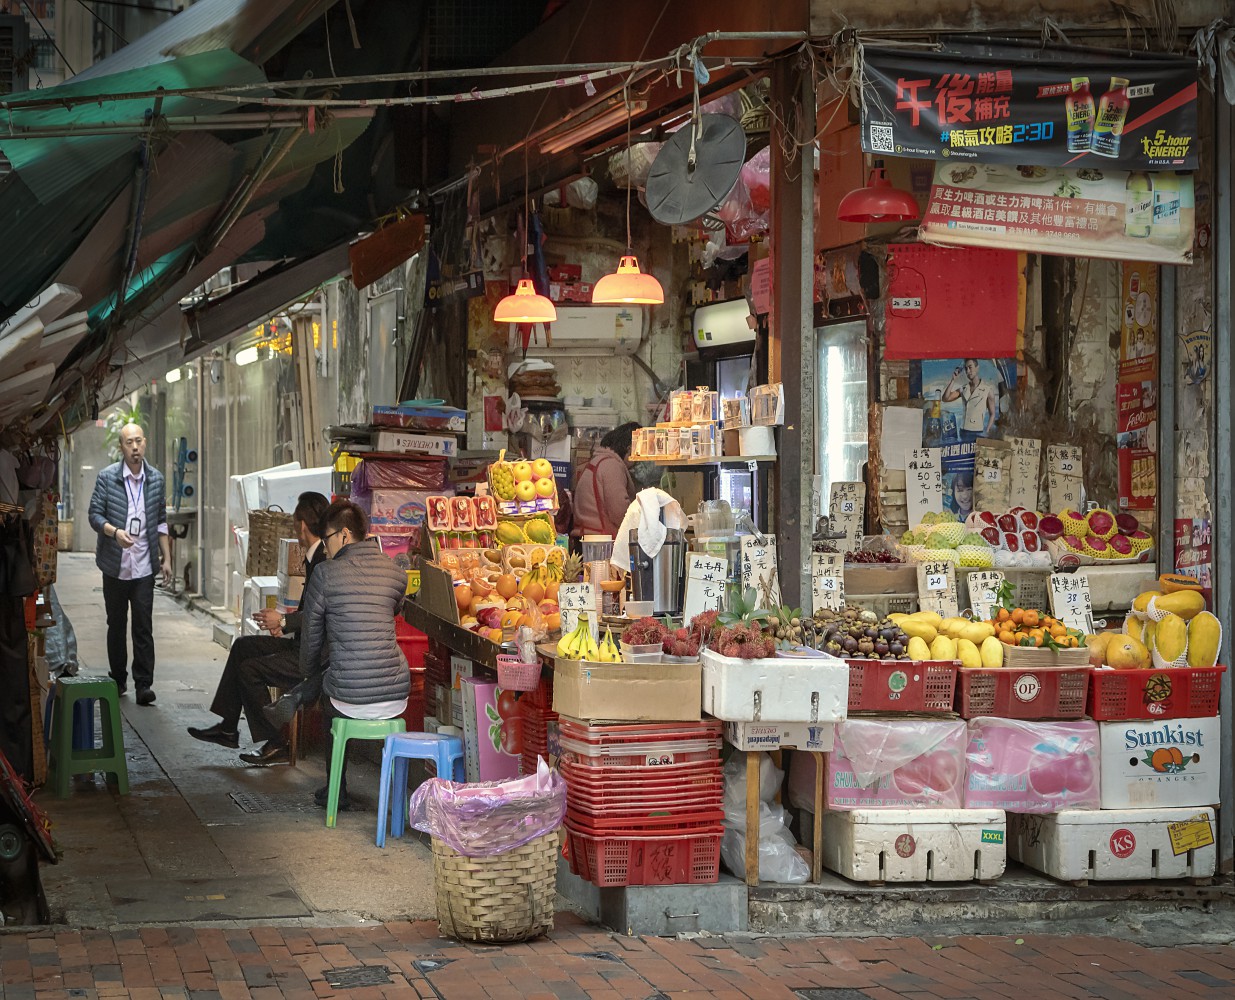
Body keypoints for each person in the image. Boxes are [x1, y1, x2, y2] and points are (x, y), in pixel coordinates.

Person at [187, 492, 330, 765]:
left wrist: (285, 621)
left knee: (249, 670)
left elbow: (320, 613)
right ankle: (228, 727)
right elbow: (311, 610)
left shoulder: (323, 559)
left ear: (301, 526)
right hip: (302, 643)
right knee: (243, 646)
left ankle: (278, 742)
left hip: (315, 657)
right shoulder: (315, 557)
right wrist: (283, 622)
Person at [296, 500, 409, 810]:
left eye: (328, 539)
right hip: (396, 695)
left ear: (344, 535)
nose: (326, 548)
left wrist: (308, 675)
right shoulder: (395, 572)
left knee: (329, 692)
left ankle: (337, 789)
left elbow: (312, 637)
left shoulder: (325, 574)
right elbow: (395, 607)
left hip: (347, 697)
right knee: (337, 679)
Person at [87, 423, 170, 706]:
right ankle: (118, 679)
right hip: (115, 565)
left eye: (138, 442)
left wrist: (167, 558)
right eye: (128, 443)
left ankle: (144, 684)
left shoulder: (156, 479)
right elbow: (94, 515)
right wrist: (114, 532)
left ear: (144, 443)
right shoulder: (107, 478)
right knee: (116, 624)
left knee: (143, 626)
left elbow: (160, 520)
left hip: (145, 567)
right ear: (121, 447)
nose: (134, 448)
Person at [571, 421, 640, 539]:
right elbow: (620, 513)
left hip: (587, 537)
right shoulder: (612, 466)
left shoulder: (598, 461)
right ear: (629, 449)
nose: (638, 461)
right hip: (601, 541)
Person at [942, 359, 997, 444]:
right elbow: (945, 398)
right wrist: (953, 380)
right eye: (966, 368)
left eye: (970, 367)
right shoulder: (963, 388)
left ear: (977, 368)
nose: (968, 371)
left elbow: (992, 414)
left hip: (978, 432)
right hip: (963, 431)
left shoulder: (987, 390)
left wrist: (987, 430)